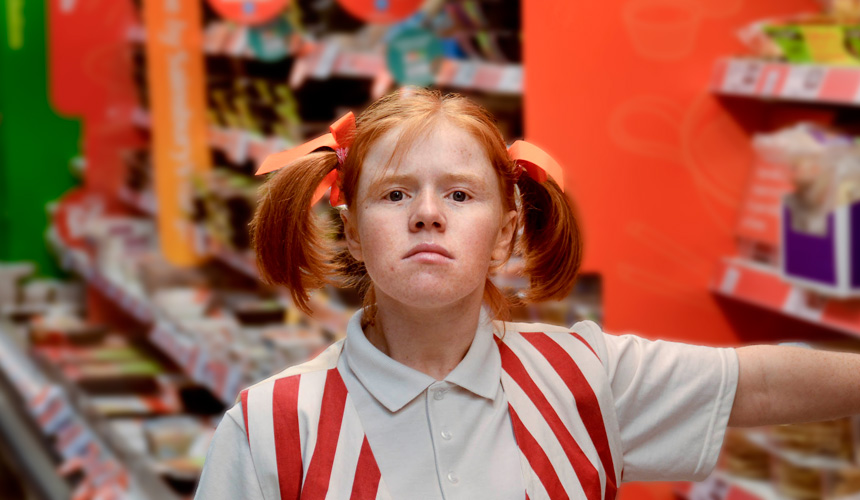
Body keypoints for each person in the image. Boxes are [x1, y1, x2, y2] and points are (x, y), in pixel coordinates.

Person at [194, 88, 860, 500]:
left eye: (460, 194)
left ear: (506, 235)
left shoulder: (583, 379)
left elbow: (761, 384)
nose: (427, 214)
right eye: (395, 195)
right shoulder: (272, 426)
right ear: (355, 236)